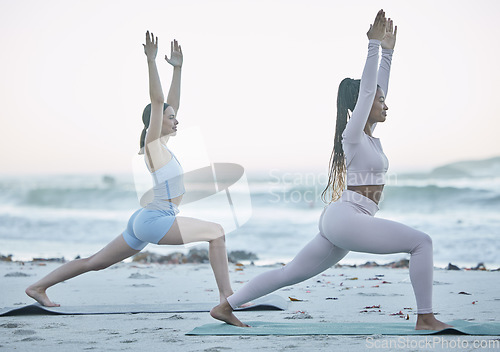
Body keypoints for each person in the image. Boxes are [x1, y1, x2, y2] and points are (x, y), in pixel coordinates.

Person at [211, 10, 453, 331]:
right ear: (363, 107)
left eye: (383, 100)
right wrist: (372, 46)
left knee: (289, 274)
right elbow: (368, 92)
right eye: (381, 101)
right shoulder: (352, 137)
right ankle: (425, 317)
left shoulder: (367, 138)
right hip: (347, 217)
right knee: (421, 243)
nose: (385, 104)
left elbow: (375, 91)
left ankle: (225, 306)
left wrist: (389, 52)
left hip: (345, 218)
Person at [26, 31, 234, 307]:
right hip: (155, 220)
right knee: (217, 232)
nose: (176, 121)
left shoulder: (163, 145)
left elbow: (169, 104)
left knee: (94, 263)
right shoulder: (154, 147)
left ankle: (37, 287)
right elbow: (159, 102)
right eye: (172, 118)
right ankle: (228, 297)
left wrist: (178, 70)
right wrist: (151, 62)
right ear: (157, 122)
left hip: (145, 220)